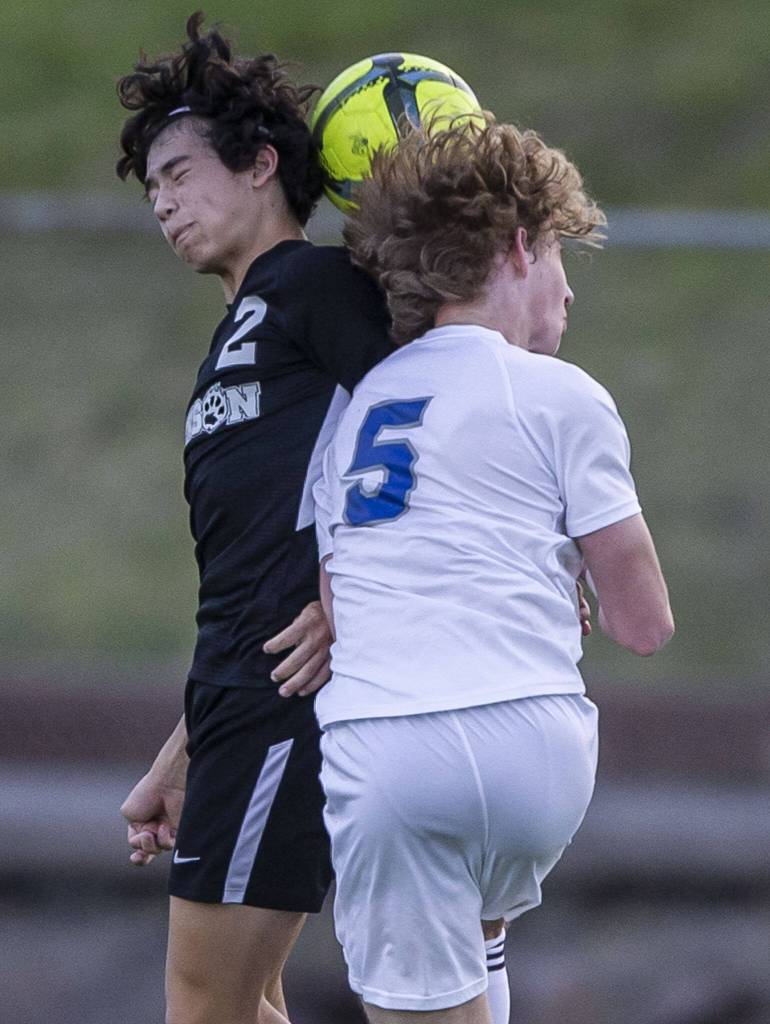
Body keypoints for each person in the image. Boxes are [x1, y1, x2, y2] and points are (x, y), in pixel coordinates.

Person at [312, 117, 675, 1024]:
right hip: (536, 752)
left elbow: (339, 600)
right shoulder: (565, 394)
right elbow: (644, 624)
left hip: (390, 746)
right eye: (561, 254)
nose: (568, 293)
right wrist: (571, 582)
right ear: (518, 245)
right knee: (479, 946)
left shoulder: (354, 410)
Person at [114, 14, 393, 1024]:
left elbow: (430, 442)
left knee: (206, 1000)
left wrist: (353, 592)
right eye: (150, 188)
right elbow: (245, 569)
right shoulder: (234, 337)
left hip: (287, 699)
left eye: (178, 174)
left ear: (260, 163)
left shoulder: (319, 290)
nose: (162, 202)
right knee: (234, 999)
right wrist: (178, 754)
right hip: (234, 700)